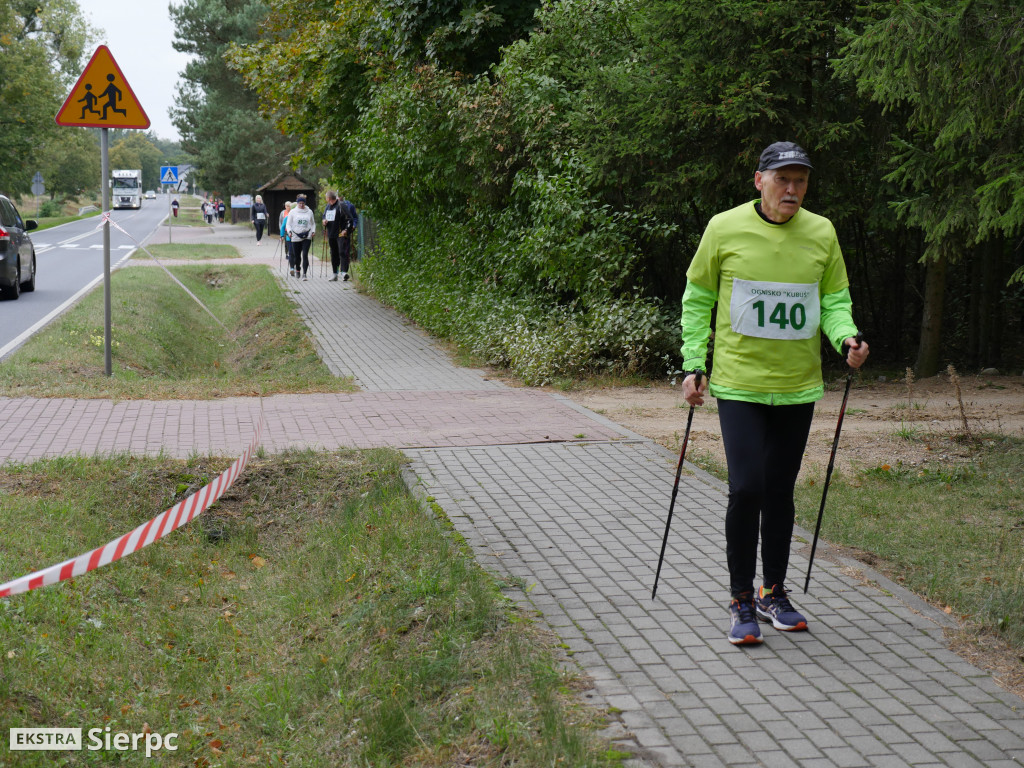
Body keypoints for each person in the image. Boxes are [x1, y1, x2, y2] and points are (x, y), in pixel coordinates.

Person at [679, 141, 869, 646]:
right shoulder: (724, 228)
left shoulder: (821, 231)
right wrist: (693, 361)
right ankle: (741, 598)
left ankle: (773, 592)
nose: (792, 189)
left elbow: (833, 300)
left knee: (780, 491)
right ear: (759, 181)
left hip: (796, 385)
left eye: (801, 181)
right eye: (783, 179)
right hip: (740, 384)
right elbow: (698, 297)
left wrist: (846, 338)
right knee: (746, 487)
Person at [322, 191, 354, 281]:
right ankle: (334, 273)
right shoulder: (328, 206)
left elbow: (349, 218)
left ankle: (344, 272)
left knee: (342, 252)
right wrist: (324, 221)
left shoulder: (341, 205)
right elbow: (324, 216)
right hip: (331, 233)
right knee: (333, 253)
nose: (326, 200)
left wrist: (346, 230)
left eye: (326, 198)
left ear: (329, 198)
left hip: (340, 233)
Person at [286, 194, 316, 280]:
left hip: (307, 236)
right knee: (297, 255)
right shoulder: (293, 212)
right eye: (300, 203)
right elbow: (288, 224)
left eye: (303, 203)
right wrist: (289, 231)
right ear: (297, 203)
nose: (301, 205)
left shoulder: (309, 211)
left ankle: (305, 274)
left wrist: (313, 231)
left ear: (305, 203)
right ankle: (298, 269)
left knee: (305, 254)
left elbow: (313, 223)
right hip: (295, 236)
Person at [279, 201, 295, 274]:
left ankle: (296, 266)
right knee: (291, 253)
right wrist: (282, 236)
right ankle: (292, 267)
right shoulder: (287, 217)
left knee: (296, 253)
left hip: (298, 238)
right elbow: (282, 227)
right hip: (289, 237)